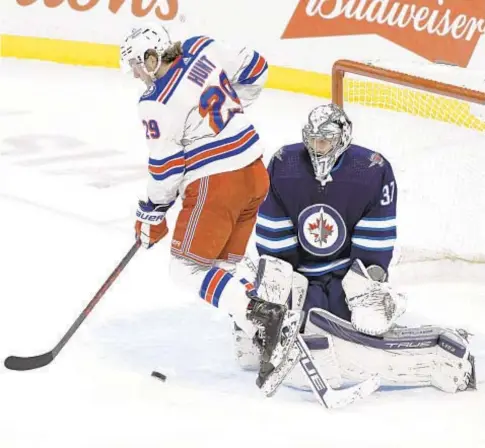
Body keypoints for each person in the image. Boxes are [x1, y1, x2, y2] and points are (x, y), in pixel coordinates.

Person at [234, 103, 475, 394]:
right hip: (301, 273)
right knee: (281, 302)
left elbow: (375, 243)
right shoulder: (285, 164)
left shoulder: (371, 169)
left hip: (344, 276)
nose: (317, 147)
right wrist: (281, 290)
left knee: (362, 325)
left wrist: (365, 285)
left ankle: (434, 359)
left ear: (342, 138)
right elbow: (275, 240)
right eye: (311, 139)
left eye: (324, 140)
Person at [119, 23, 302, 390]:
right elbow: (256, 68)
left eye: (138, 65)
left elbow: (166, 168)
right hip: (254, 171)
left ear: (152, 58)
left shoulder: (154, 103)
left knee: (185, 269)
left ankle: (267, 317)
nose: (137, 75)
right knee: (220, 269)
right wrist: (228, 113)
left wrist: (151, 211)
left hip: (218, 185)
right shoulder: (202, 46)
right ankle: (269, 328)